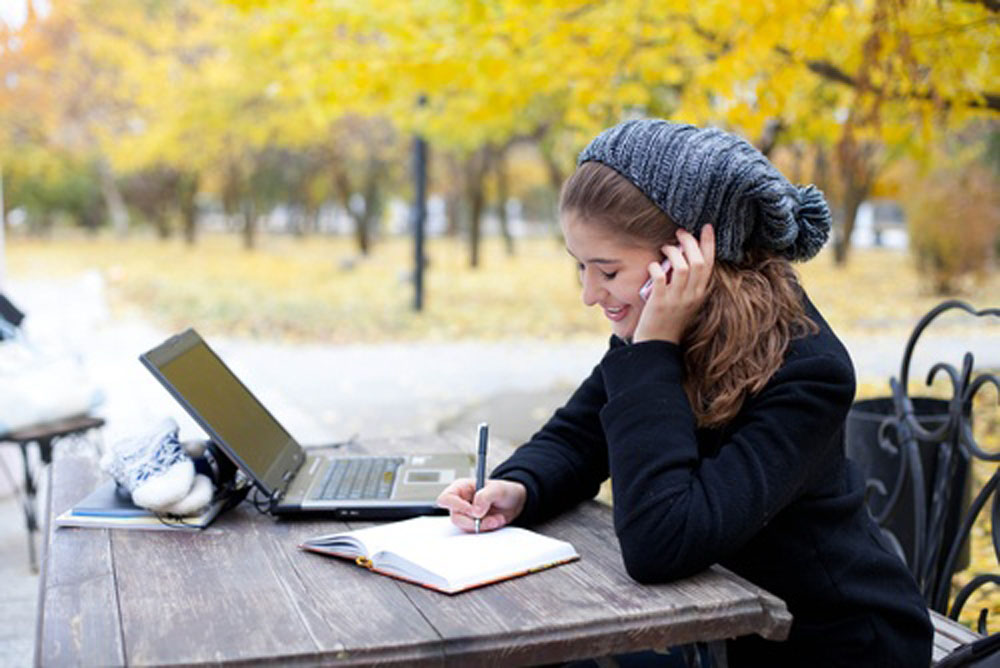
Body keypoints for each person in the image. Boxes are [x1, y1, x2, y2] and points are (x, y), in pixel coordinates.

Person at [437, 119, 933, 666]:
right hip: (721, 631)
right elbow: (578, 436)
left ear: (686, 258)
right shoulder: (667, 333)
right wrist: (518, 487)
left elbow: (661, 541)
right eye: (581, 267)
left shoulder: (807, 372)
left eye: (606, 270)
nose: (587, 294)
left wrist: (653, 348)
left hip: (836, 643)